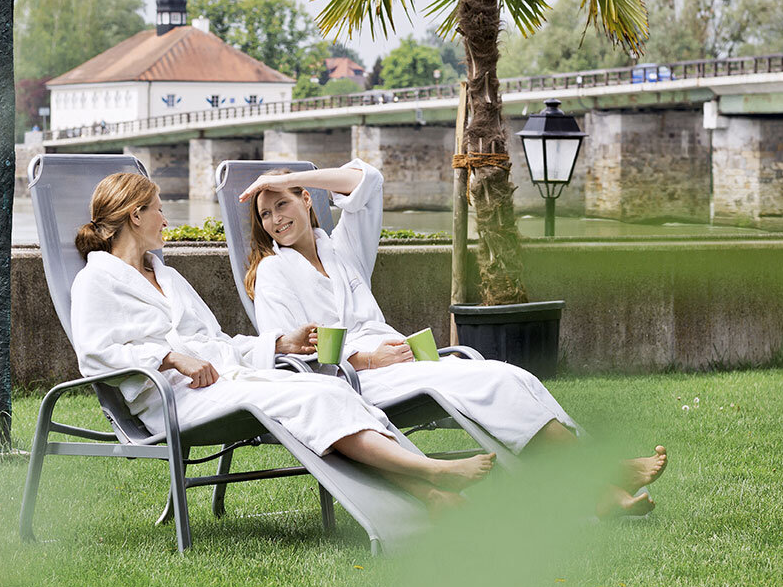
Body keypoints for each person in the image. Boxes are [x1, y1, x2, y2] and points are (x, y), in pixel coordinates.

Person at [241, 160, 667, 516]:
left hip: (403, 360)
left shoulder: (341, 248)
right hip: (355, 379)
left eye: (284, 203)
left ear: (307, 200)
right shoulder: (273, 271)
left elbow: (367, 180)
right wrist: (368, 359)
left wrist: (284, 177)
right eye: (265, 214)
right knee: (492, 383)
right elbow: (290, 352)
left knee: (510, 377)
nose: (276, 219)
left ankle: (601, 490)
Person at [69, 171, 496, 512]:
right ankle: (432, 472)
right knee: (312, 399)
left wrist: (277, 346)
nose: (167, 220)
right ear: (136, 215)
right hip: (174, 399)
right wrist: (168, 357)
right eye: (160, 211)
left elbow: (216, 342)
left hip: (221, 381)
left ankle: (429, 494)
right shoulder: (96, 280)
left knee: (327, 388)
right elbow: (95, 355)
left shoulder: (167, 276)